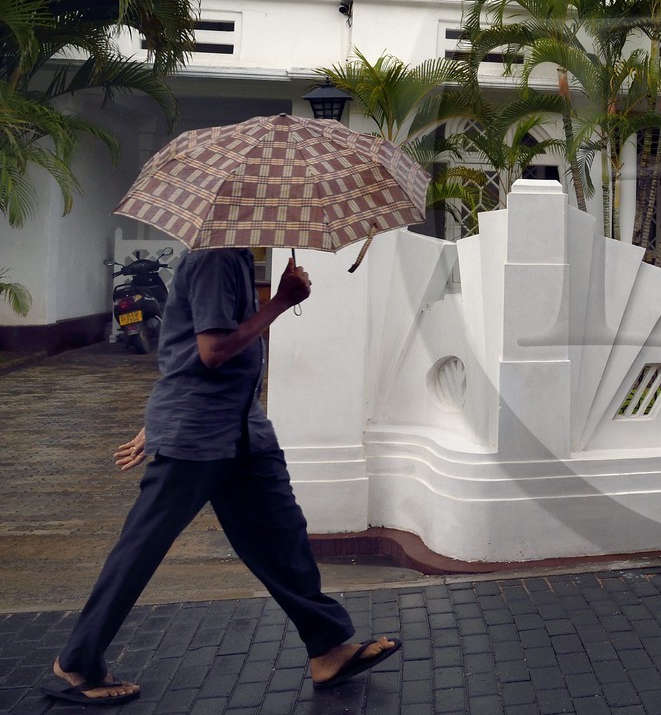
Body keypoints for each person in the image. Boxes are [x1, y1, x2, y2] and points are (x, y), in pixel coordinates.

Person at [42, 248, 399, 706]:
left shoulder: (236, 259)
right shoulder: (216, 258)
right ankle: (78, 658)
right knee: (143, 545)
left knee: (281, 535)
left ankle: (327, 648)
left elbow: (183, 348)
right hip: (199, 436)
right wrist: (280, 301)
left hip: (242, 431)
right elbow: (212, 350)